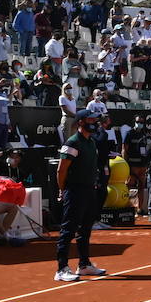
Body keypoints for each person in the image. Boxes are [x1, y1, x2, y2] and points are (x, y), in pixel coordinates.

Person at [55, 114, 108, 282]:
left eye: (94, 120)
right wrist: (63, 190)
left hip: (89, 191)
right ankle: (62, 268)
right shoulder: (72, 142)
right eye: (90, 120)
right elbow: (61, 170)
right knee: (68, 230)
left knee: (85, 230)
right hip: (74, 191)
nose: (94, 123)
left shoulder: (91, 142)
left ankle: (84, 265)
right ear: (81, 122)